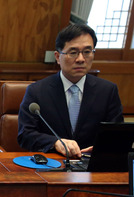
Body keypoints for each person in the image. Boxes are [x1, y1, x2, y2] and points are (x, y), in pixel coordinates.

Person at [17, 24, 123, 157]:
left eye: (87, 52)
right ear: (57, 57)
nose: (80, 59)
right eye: (73, 53)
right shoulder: (37, 91)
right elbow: (25, 135)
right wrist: (55, 142)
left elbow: (118, 134)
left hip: (92, 165)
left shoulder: (108, 91)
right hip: (52, 163)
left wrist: (101, 147)